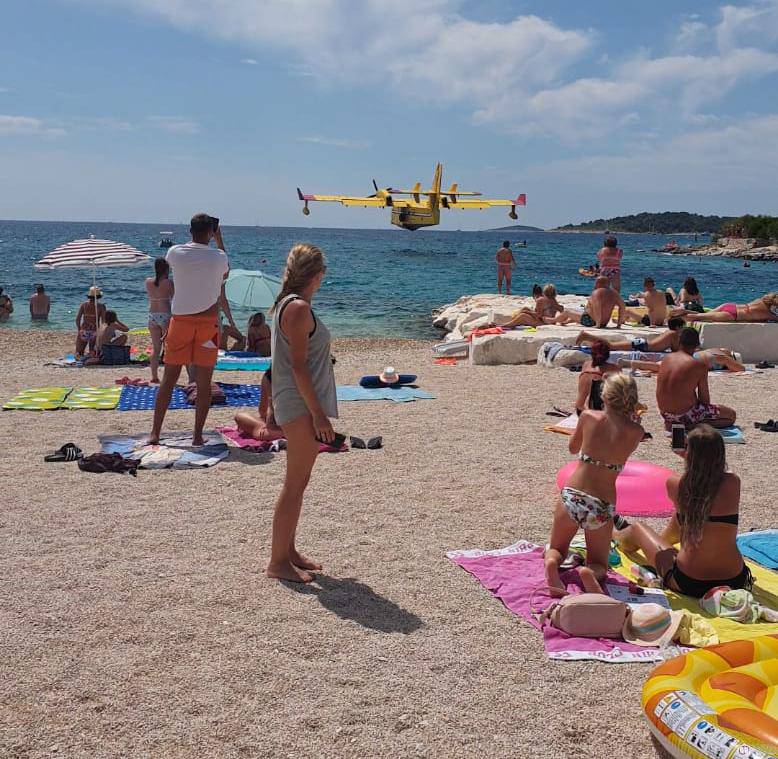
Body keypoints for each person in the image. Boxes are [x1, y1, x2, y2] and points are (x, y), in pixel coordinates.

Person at [267, 243, 337, 583]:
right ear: (318, 275)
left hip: (295, 402)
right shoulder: (296, 309)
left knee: (299, 482)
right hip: (299, 404)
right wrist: (318, 415)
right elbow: (297, 368)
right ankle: (277, 561)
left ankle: (288, 551)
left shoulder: (290, 305)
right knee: (294, 484)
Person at [614, 425, 751, 598]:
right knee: (688, 517)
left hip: (689, 582)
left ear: (689, 452)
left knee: (638, 528)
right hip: (735, 580)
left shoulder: (676, 484)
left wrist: (687, 457)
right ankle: (657, 539)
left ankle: (615, 535)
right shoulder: (733, 483)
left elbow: (695, 492)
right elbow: (705, 491)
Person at [545, 374, 644, 595]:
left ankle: (552, 563)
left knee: (558, 549)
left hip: (573, 493)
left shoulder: (589, 417)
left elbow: (573, 447)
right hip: (601, 503)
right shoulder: (636, 432)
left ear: (604, 396)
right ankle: (590, 573)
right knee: (599, 561)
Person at [148, 213, 229, 447]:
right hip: (208, 325)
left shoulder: (175, 253)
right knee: (204, 381)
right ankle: (196, 436)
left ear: (190, 230)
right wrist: (219, 239)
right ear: (211, 232)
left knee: (169, 378)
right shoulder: (219, 256)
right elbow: (225, 271)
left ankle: (156, 432)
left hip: (181, 322)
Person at [656, 327, 736, 430]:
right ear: (697, 345)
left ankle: (676, 423)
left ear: (679, 342)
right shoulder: (699, 365)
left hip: (666, 414)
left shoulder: (666, 359)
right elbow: (705, 401)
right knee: (731, 416)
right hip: (686, 415)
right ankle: (691, 425)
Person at [576, 316, 686, 354]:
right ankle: (586, 336)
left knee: (612, 345)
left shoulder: (669, 332)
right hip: (643, 346)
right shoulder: (673, 334)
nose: (683, 329)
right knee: (611, 346)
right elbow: (676, 350)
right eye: (682, 327)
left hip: (642, 343)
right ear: (677, 327)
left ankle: (587, 337)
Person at [145, 258, 174, 384]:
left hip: (152, 315)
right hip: (165, 315)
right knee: (168, 349)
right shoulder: (168, 282)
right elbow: (174, 298)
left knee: (156, 349)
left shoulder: (148, 281)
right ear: (166, 269)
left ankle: (154, 376)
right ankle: (168, 378)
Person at [556, 276, 625, 328]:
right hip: (604, 323)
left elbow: (597, 307)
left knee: (567, 312)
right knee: (581, 313)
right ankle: (566, 322)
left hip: (591, 321)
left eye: (596, 283)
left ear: (599, 283)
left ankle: (552, 320)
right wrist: (619, 324)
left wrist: (597, 324)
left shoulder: (597, 292)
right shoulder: (615, 294)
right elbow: (622, 307)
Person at [575, 340, 621, 414]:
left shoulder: (586, 365)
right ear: (607, 355)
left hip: (580, 410)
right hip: (597, 412)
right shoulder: (614, 368)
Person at [234, 370, 282, 441]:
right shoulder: (300, 374)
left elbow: (262, 411)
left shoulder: (269, 376)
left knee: (239, 416)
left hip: (275, 431)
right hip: (300, 427)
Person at [681, 292, 778, 323]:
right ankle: (680, 318)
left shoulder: (759, 300)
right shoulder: (767, 314)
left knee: (702, 315)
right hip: (733, 315)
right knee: (699, 317)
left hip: (730, 306)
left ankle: (682, 311)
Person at [75, 287, 107, 358]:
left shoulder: (84, 305)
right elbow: (103, 322)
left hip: (84, 329)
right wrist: (102, 332)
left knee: (79, 353)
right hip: (94, 330)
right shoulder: (101, 306)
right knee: (92, 351)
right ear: (98, 297)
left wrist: (79, 329)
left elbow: (77, 319)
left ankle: (80, 359)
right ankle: (90, 359)